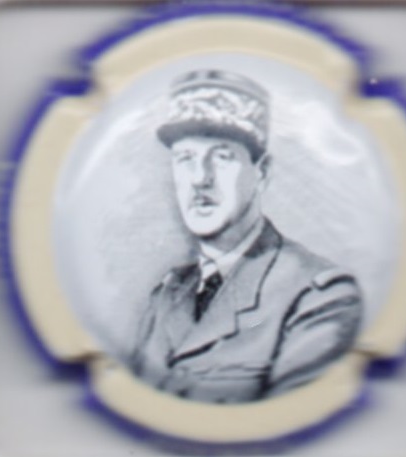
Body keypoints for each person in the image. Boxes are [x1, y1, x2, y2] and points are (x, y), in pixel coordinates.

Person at [129, 70, 363, 403]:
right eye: (185, 158)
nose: (200, 178)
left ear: (262, 172)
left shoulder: (318, 296)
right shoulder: (167, 295)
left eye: (222, 157)